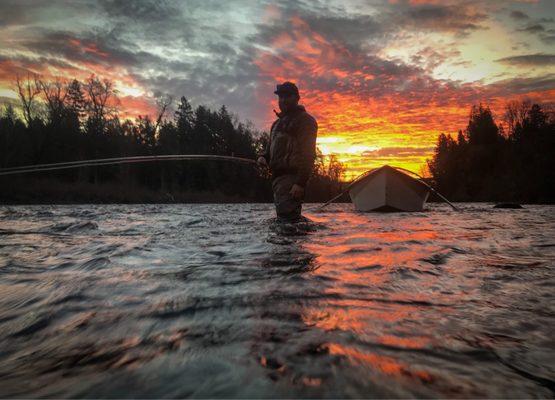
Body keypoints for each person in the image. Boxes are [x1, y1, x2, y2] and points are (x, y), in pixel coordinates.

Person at [257, 81, 318, 222]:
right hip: (277, 181)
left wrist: (300, 183)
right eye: (280, 97)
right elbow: (268, 152)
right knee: (285, 222)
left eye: (287, 96)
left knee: (287, 224)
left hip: (292, 181)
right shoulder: (276, 125)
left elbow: (308, 154)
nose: (283, 100)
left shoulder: (305, 121)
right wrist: (263, 158)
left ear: (297, 98)